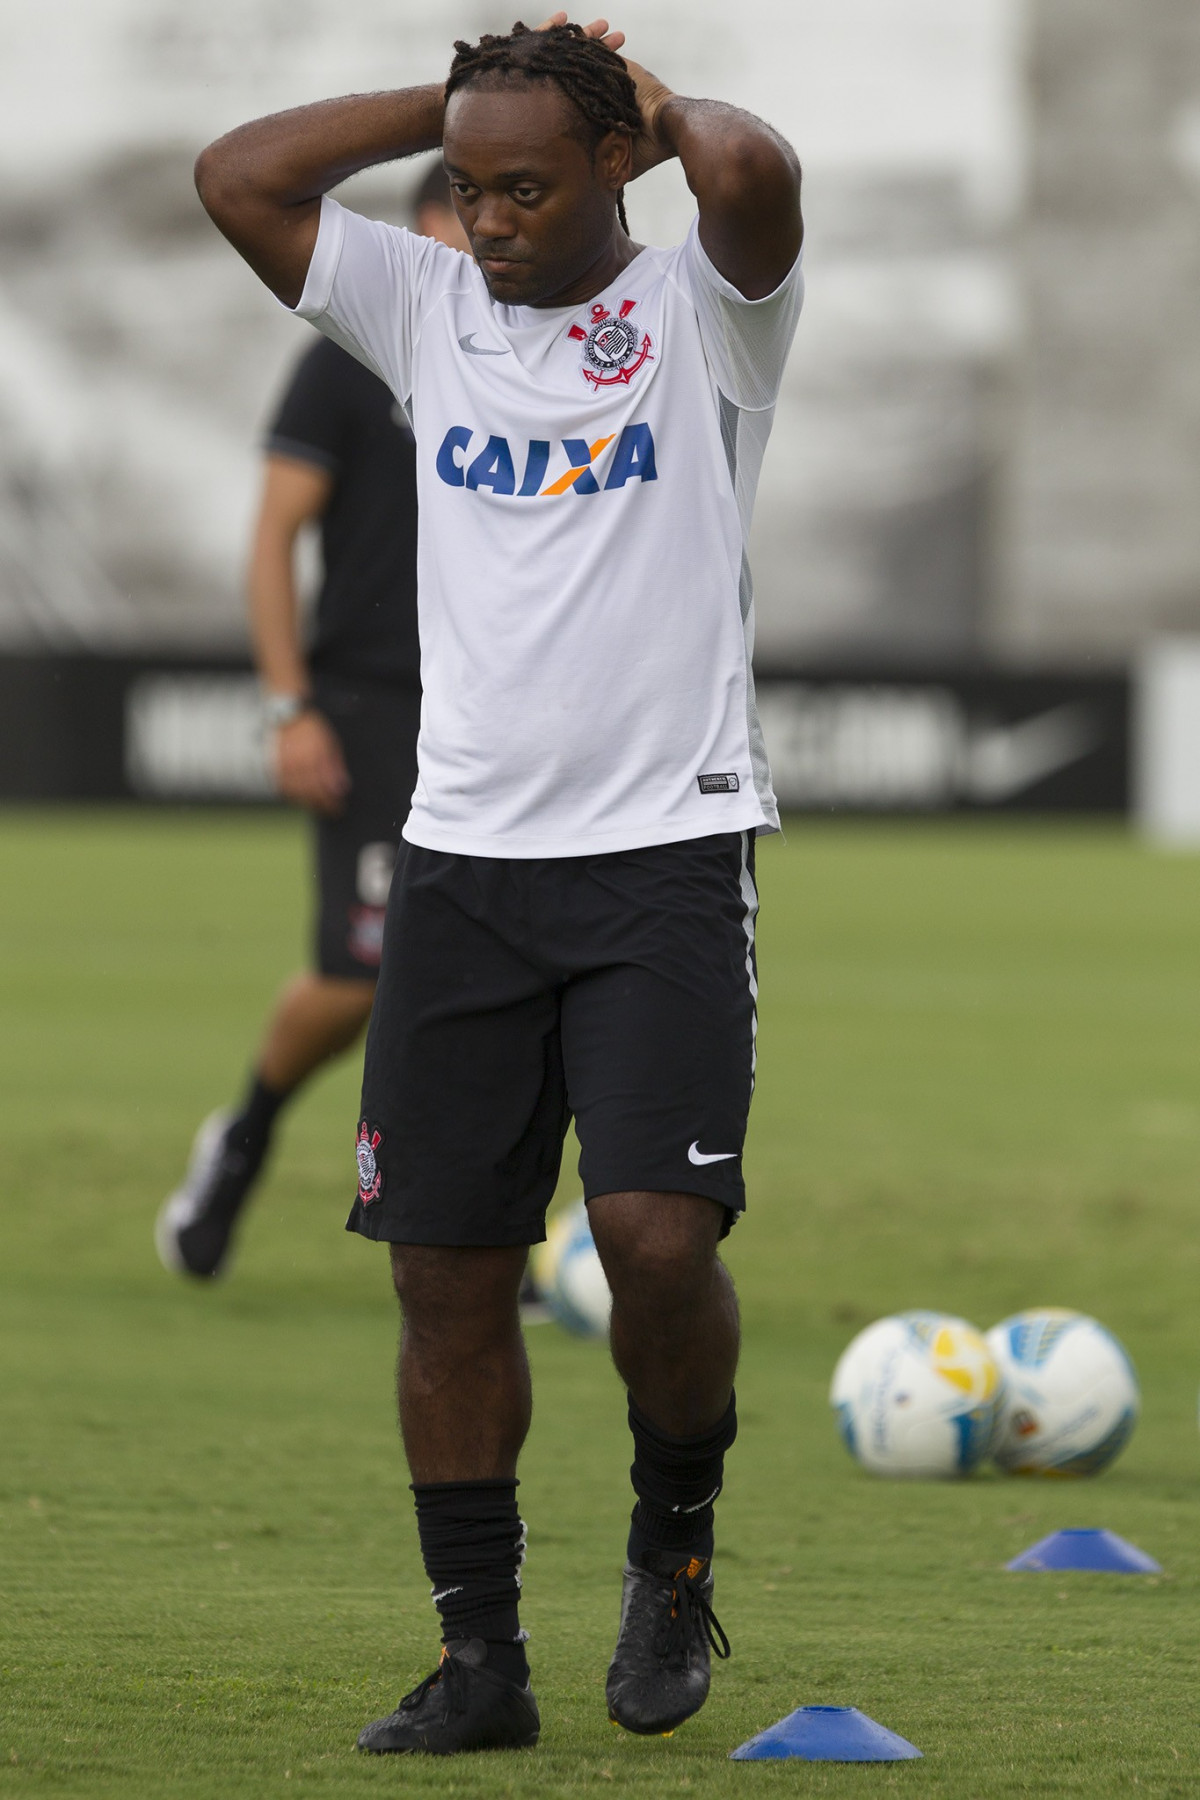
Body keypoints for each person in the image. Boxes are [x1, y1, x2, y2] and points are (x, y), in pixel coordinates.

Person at [193, 10, 803, 1756]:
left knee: (653, 1240)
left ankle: (672, 1547)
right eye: (468, 187)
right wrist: (466, 112)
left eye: (530, 184)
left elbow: (752, 173)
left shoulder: (706, 315)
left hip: (664, 856)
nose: (491, 217)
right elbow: (237, 175)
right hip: (462, 866)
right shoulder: (423, 302)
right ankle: (479, 1662)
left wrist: (643, 99)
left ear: (620, 164)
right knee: (444, 1278)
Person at [156, 168, 469, 1281]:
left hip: (494, 709)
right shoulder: (352, 356)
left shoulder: (535, 355)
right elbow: (274, 532)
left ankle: (490, 1231)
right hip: (375, 704)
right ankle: (242, 1140)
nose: (489, 235)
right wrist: (290, 706)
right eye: (472, 209)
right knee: (360, 973)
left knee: (502, 971)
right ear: (430, 224)